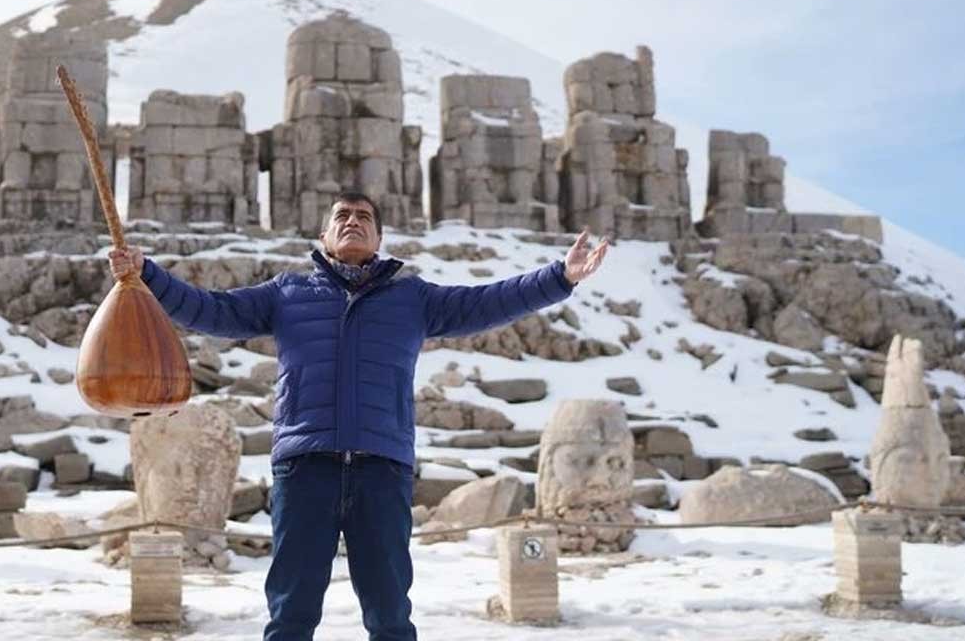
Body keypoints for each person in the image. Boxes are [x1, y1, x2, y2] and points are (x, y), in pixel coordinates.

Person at [108, 190, 610, 641]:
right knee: (290, 614)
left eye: (364, 216)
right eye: (342, 216)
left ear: (379, 239)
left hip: (382, 469)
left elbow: (488, 302)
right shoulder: (287, 293)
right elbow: (211, 310)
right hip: (305, 468)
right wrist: (148, 275)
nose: (352, 221)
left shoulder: (412, 298)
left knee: (390, 616)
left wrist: (559, 277)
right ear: (323, 236)